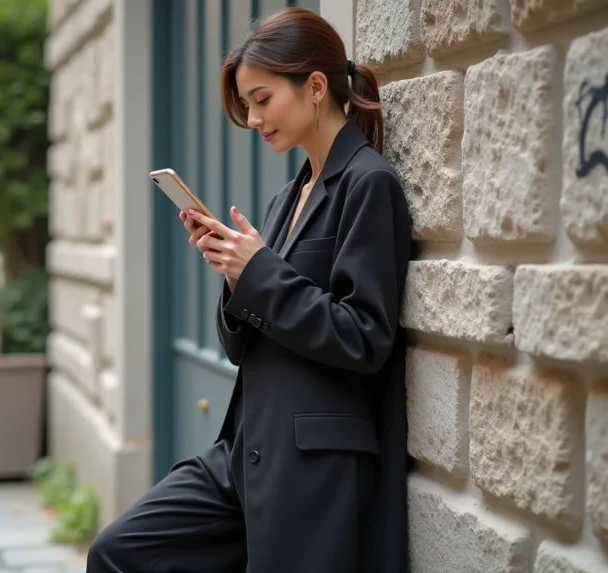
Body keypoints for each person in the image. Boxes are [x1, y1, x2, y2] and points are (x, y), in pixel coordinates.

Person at [86, 6, 413, 573]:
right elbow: (243, 346)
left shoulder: (368, 184)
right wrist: (236, 274)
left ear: (315, 86)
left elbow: (366, 337)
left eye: (263, 100)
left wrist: (259, 270)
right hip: (244, 451)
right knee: (118, 553)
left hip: (312, 467)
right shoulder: (286, 200)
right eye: (247, 106)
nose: (255, 119)